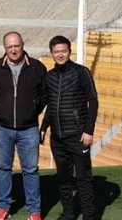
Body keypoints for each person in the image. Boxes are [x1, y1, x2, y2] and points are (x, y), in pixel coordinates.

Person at [0, 32, 47, 220]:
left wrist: (31, 111)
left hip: (28, 128)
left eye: (16, 46)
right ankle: (3, 208)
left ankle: (34, 211)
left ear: (22, 45)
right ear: (4, 48)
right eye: (9, 46)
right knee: (3, 168)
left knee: (30, 170)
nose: (13, 50)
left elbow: (44, 96)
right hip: (3, 128)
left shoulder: (37, 67)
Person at [44, 35, 99, 220]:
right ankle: (68, 213)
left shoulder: (81, 72)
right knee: (64, 178)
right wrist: (43, 128)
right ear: (52, 53)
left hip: (78, 135)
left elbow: (93, 101)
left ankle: (89, 216)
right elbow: (50, 106)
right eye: (56, 51)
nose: (60, 54)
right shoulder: (49, 76)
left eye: (63, 51)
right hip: (57, 137)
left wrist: (89, 130)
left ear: (69, 51)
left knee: (83, 178)